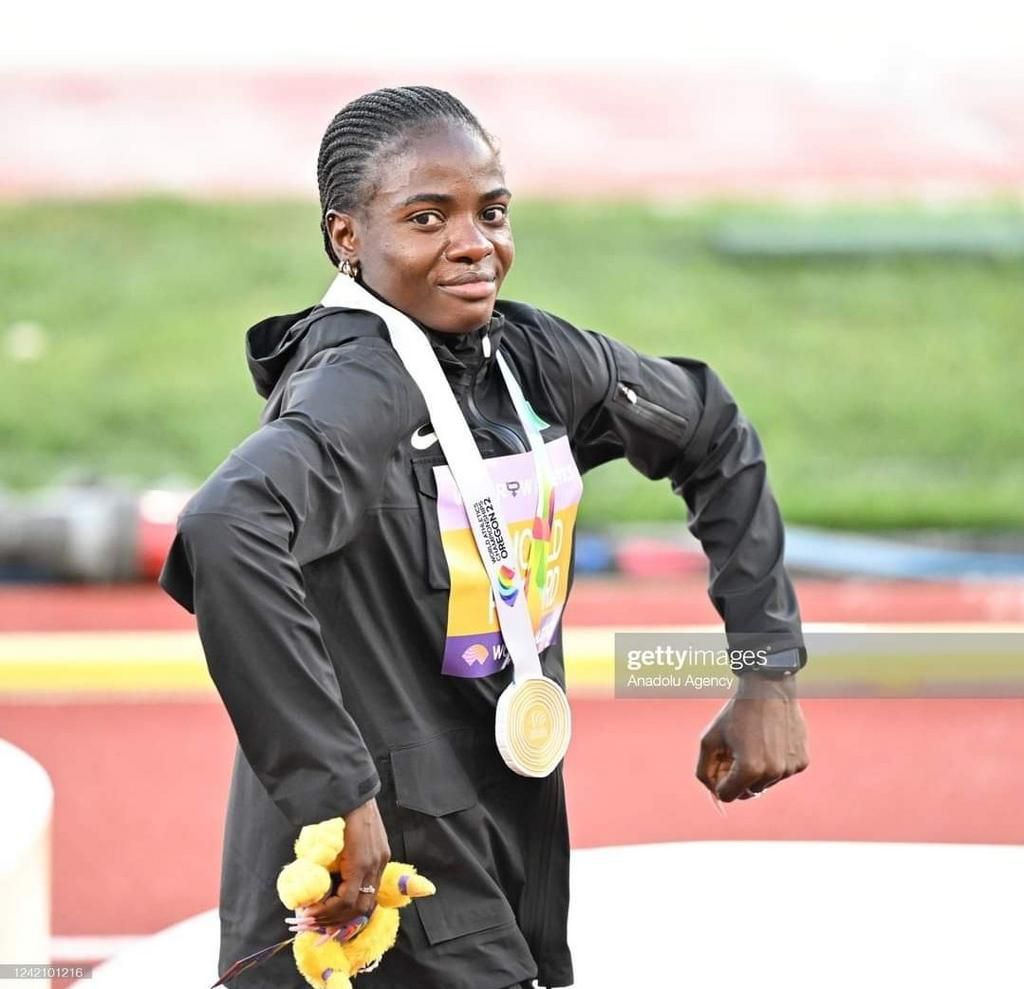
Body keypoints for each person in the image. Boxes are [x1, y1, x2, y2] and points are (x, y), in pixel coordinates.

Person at [158, 85, 810, 989]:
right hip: (378, 883)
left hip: (507, 821)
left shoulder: (527, 359)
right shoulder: (359, 384)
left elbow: (709, 428)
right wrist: (337, 792)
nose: (475, 244)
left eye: (491, 211)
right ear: (347, 238)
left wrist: (766, 667)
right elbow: (229, 524)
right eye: (428, 217)